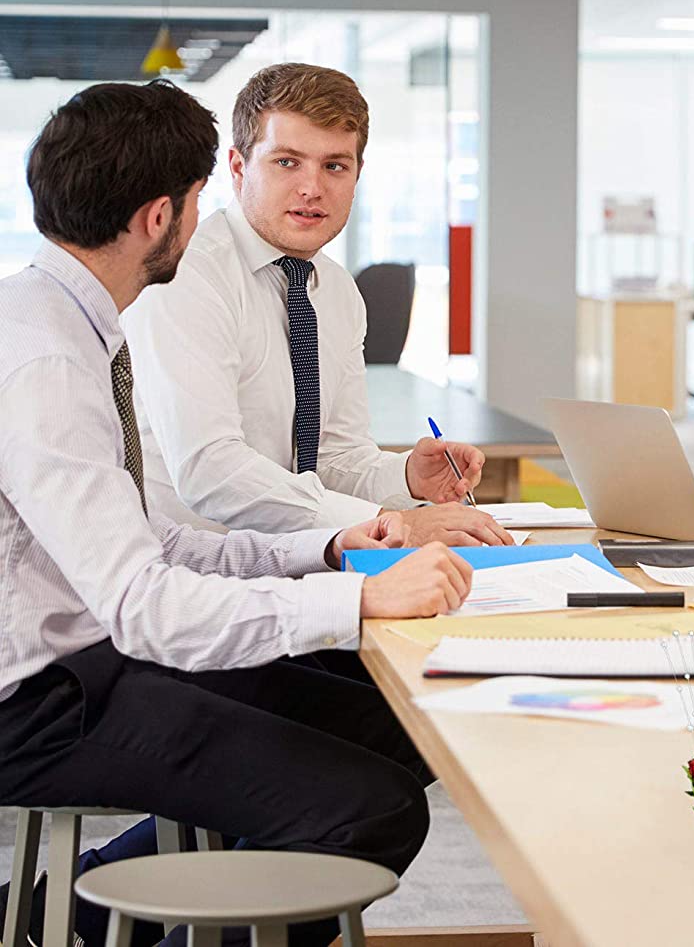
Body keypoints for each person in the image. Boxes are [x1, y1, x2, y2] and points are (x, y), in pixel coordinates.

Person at [0, 80, 476, 947]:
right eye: (195, 199)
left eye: (336, 165)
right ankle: (81, 913)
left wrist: (331, 548)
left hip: (100, 645)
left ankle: (67, 913)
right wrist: (361, 596)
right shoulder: (49, 361)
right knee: (371, 808)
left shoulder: (68, 322)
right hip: (42, 694)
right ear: (161, 218)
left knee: (392, 723)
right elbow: (147, 601)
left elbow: (147, 536)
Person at [121, 62, 510, 546]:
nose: (312, 188)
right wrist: (393, 524)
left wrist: (407, 478)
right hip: (190, 576)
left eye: (334, 166)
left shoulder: (337, 290)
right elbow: (209, 470)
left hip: (300, 566)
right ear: (239, 168)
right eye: (287, 162)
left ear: (356, 173)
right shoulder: (185, 275)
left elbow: (331, 457)